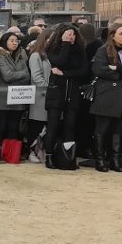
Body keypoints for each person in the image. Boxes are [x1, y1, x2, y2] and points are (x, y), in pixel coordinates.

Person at [89, 23, 122, 172]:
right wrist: (121, 73)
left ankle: (115, 158)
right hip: (106, 94)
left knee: (118, 129)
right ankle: (99, 159)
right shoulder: (103, 50)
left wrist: (117, 68)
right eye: (121, 33)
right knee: (102, 129)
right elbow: (99, 70)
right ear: (112, 35)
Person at [42, 23, 88, 169]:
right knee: (53, 125)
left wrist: (64, 73)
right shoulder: (52, 49)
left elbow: (83, 71)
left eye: (73, 34)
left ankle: (68, 157)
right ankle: (49, 156)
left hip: (72, 92)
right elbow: (59, 61)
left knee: (70, 125)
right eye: (67, 34)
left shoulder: (80, 51)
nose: (71, 36)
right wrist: (65, 44)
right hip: (56, 91)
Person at [0, 32, 29, 158]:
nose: (14, 43)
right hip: (2, 97)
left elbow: (28, 75)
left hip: (18, 96)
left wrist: (20, 75)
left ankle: (10, 152)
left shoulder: (22, 55)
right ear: (5, 41)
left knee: (14, 126)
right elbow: (7, 75)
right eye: (11, 40)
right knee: (0, 125)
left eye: (16, 40)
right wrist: (22, 74)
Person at [26, 28, 53, 162]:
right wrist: (48, 90)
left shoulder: (51, 55)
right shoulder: (36, 55)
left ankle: (41, 150)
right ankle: (31, 151)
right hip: (39, 95)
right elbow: (37, 77)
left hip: (50, 95)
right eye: (50, 39)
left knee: (46, 125)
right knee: (36, 124)